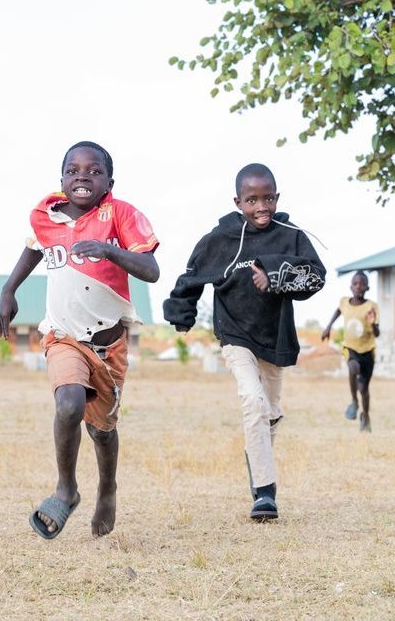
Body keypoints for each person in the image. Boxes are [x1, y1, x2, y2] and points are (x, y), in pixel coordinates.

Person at [0, 141, 159, 539]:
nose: (82, 176)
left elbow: (151, 270)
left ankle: (108, 489)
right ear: (61, 179)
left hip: (109, 345)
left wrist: (109, 249)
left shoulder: (121, 215)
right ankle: (66, 488)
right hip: (63, 336)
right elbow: (33, 249)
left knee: (102, 431)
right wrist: (9, 290)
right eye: (73, 170)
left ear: (109, 182)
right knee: (68, 402)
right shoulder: (46, 215)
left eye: (93, 171)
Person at [163, 163, 325, 521]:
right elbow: (192, 276)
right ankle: (265, 495)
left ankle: (257, 451)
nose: (261, 206)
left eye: (268, 198)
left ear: (277, 197)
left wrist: (276, 275)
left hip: (275, 338)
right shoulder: (221, 239)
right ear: (238, 201)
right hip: (235, 335)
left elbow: (316, 277)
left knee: (269, 413)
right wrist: (181, 313)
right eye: (252, 200)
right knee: (253, 402)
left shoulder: (291, 235)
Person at [321, 271, 380, 432]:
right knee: (353, 368)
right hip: (350, 348)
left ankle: (365, 416)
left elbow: (377, 334)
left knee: (364, 388)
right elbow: (338, 311)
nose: (358, 286)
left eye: (362, 284)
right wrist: (328, 327)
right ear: (351, 286)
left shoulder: (371, 307)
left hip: (368, 350)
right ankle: (354, 401)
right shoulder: (344, 302)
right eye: (355, 283)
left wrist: (373, 323)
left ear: (367, 287)